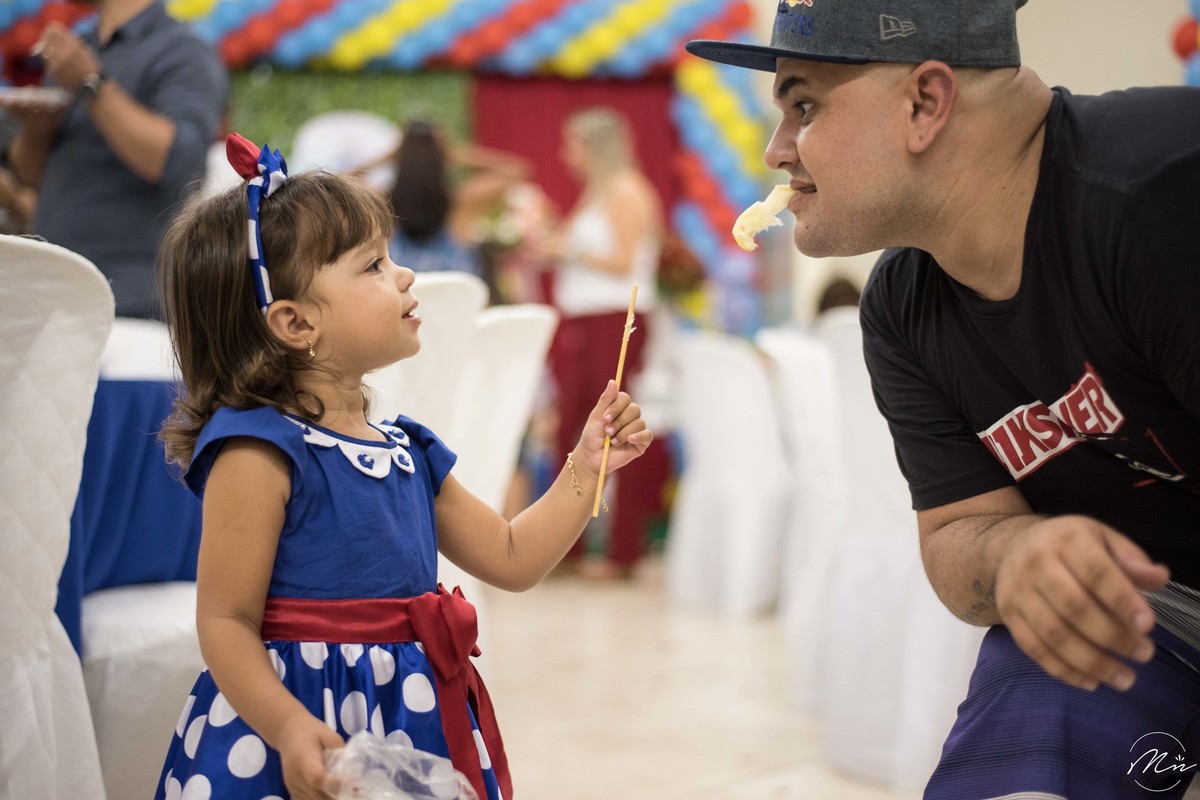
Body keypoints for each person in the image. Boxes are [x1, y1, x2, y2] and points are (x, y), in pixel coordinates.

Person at [687, 1, 1200, 797]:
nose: (776, 150)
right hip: (1146, 618)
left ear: (926, 103)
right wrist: (1017, 555)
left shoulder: (1164, 194)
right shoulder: (901, 307)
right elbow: (959, 531)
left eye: (804, 106)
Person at [150, 133, 652, 800]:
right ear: (295, 324)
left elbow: (512, 557)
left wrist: (587, 464)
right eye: (374, 266)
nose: (406, 275)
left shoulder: (408, 451)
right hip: (289, 730)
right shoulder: (259, 451)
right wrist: (289, 727)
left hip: (407, 718)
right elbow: (225, 622)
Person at [2, 0, 227, 318]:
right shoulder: (79, 49)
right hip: (53, 303)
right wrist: (37, 131)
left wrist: (90, 83)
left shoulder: (184, 49)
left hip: (133, 308)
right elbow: (30, 177)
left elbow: (179, 165)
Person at [537, 106, 665, 579]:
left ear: (595, 147)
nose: (565, 155)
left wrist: (566, 249)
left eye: (572, 145)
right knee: (571, 427)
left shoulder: (628, 190)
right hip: (586, 320)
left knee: (613, 424)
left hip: (616, 319)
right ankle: (561, 547)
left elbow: (624, 260)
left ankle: (622, 549)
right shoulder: (597, 193)